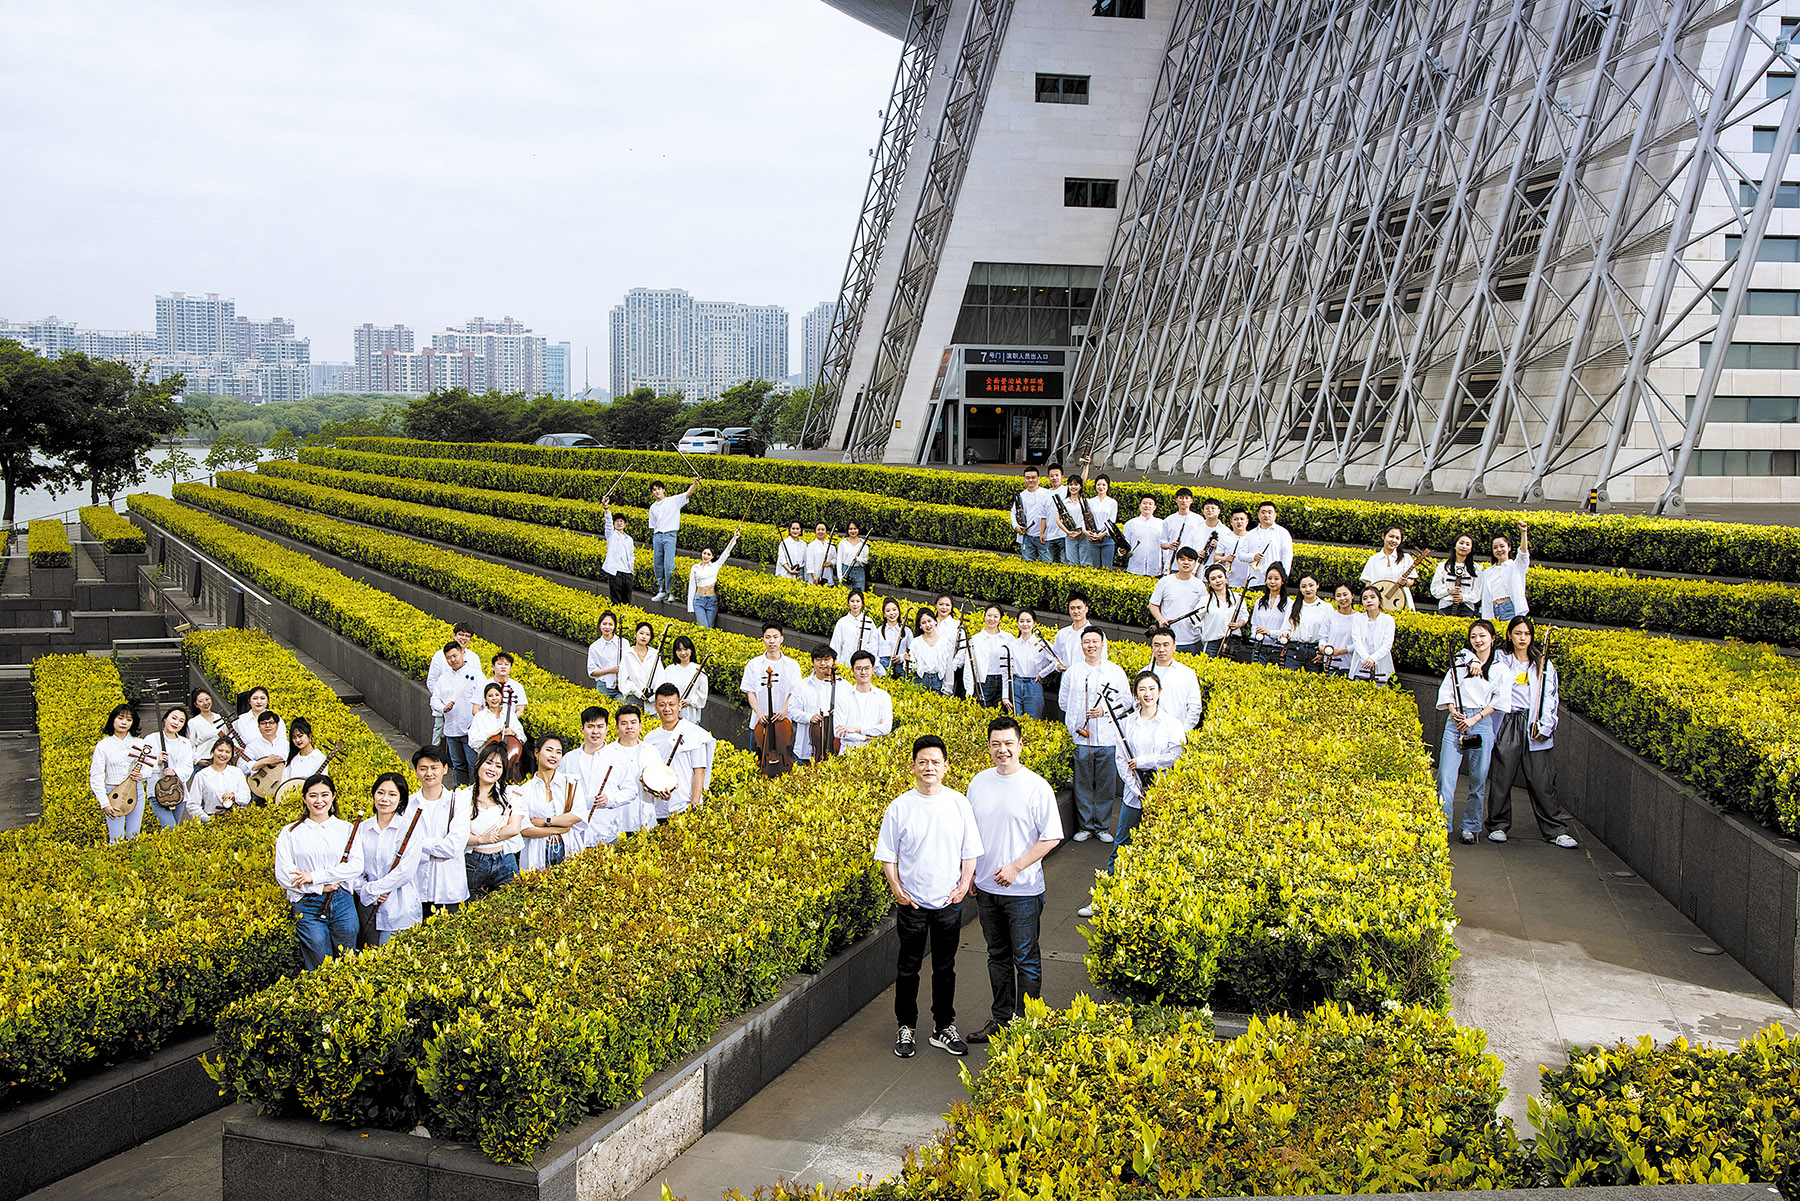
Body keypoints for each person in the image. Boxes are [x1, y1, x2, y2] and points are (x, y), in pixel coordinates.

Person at [873, 734, 983, 1059]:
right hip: (912, 904)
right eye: (923, 762)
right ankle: (905, 1027)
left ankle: (943, 1027)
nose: (929, 767)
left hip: (948, 903)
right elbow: (887, 853)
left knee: (945, 968)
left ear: (946, 766)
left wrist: (963, 885)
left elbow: (970, 850)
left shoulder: (959, 803)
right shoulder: (900, 807)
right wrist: (896, 889)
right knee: (907, 968)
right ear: (913, 767)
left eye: (935, 761)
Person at [965, 715, 1063, 1042]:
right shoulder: (978, 783)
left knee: (1026, 960)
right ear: (989, 747)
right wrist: (971, 874)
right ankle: (1001, 1020)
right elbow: (970, 834)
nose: (1002, 749)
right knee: (997, 957)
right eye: (996, 744)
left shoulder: (1037, 786)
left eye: (1008, 743)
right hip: (986, 890)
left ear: (1020, 745)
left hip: (1023, 891)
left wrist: (1016, 867)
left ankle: (1027, 1027)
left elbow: (1051, 837)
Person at [1081, 670, 1185, 917]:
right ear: (1136, 694)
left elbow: (1175, 755)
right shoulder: (1127, 723)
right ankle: (1103, 899)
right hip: (1134, 795)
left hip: (1162, 793)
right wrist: (1136, 789)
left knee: (1160, 848)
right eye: (1142, 689)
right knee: (1121, 845)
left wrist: (1144, 762)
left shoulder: (1172, 723)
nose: (1147, 694)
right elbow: (1121, 760)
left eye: (1152, 689)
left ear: (1160, 692)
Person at [1488, 617, 1579, 848]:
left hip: (1533, 722)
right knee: (1502, 776)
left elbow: (1550, 697)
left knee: (1542, 779)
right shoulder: (1500, 658)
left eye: (1527, 634)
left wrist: (1546, 725)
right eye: (1518, 633)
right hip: (1508, 720)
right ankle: (1498, 825)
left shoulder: (1543, 663)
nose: (1522, 638)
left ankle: (1555, 830)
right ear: (1509, 635)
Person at [273, 773, 363, 969]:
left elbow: (355, 866)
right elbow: (284, 875)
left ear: (333, 796)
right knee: (319, 964)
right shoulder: (290, 832)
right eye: (313, 795)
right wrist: (319, 887)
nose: (319, 801)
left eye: (324, 795)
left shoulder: (347, 829)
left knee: (348, 961)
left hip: (342, 900)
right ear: (304, 799)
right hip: (306, 903)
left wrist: (314, 877)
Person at [1438, 620, 1506, 845]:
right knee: (1445, 777)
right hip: (1456, 721)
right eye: (1474, 636)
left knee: (1478, 779)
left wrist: (1474, 719)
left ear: (1492, 638)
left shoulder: (1499, 668)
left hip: (1481, 722)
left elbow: (1499, 701)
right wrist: (1453, 711)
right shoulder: (1461, 662)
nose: (1478, 640)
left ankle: (1471, 826)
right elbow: (1447, 691)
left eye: (1483, 636)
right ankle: (1442, 825)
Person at [1060, 628, 1130, 842]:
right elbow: (1063, 702)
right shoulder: (1072, 672)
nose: (1091, 645)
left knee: (1105, 784)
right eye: (1086, 642)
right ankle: (1085, 826)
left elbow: (1126, 702)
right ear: (1081, 645)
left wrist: (1104, 711)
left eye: (1095, 641)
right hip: (1081, 738)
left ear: (1102, 644)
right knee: (1082, 783)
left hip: (1107, 738)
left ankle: (1102, 826)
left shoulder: (1115, 672)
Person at [356, 772, 425, 946]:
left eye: (392, 794)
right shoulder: (362, 828)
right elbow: (354, 867)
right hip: (368, 906)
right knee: (368, 955)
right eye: (380, 792)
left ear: (400, 799)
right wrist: (364, 889)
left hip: (399, 907)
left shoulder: (409, 829)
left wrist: (373, 889)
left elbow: (405, 872)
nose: (385, 799)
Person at [411, 744, 470, 917]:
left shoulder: (458, 802)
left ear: (445, 769)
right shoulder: (408, 805)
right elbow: (402, 846)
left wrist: (419, 846)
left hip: (450, 889)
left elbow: (453, 847)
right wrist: (436, 848)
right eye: (423, 768)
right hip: (416, 888)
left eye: (434, 767)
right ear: (416, 771)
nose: (429, 773)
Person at [462, 744, 523, 899]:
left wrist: (480, 838)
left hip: (505, 860)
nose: (492, 769)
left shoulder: (511, 793)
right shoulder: (462, 797)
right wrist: (481, 840)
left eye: (498, 766)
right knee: (473, 909)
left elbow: (514, 828)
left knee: (511, 905)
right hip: (473, 862)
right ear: (478, 763)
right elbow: (459, 835)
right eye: (488, 763)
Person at [644, 684, 714, 818]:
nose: (667, 709)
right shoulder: (650, 738)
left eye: (671, 704)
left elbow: (699, 772)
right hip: (657, 809)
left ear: (679, 706)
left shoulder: (694, 734)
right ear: (655, 707)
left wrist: (694, 805)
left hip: (685, 806)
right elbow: (648, 772)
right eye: (662, 705)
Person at [516, 734, 584, 870]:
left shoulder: (570, 783)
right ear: (536, 753)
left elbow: (577, 815)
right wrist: (559, 829)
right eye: (549, 750)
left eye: (558, 752)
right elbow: (525, 829)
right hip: (537, 849)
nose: (554, 755)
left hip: (566, 846)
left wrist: (544, 822)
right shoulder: (525, 790)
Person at [590, 704, 656, 842]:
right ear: (616, 728)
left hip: (646, 819)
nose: (629, 727)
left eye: (633, 722)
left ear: (640, 726)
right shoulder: (606, 754)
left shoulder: (651, 751)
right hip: (617, 823)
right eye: (624, 723)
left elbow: (660, 780)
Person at [91, 702, 151, 843]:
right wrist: (104, 803)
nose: (124, 723)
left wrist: (141, 775)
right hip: (113, 791)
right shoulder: (103, 745)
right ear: (113, 719)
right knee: (116, 839)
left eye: (129, 720)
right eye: (120, 718)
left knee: (134, 837)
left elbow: (149, 768)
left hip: (135, 791)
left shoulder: (140, 743)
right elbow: (96, 776)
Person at [742, 622, 801, 765]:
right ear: (763, 640)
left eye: (775, 637)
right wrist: (759, 714)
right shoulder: (753, 664)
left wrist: (784, 710)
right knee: (756, 761)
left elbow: (794, 693)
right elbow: (751, 692)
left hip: (783, 724)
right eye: (768, 637)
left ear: (781, 639)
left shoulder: (792, 665)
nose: (772, 641)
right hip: (759, 723)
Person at [558, 707, 613, 845]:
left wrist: (610, 799)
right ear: (582, 729)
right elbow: (558, 789)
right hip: (573, 831)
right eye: (590, 726)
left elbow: (630, 790)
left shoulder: (617, 758)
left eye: (600, 726)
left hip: (606, 830)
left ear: (607, 728)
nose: (595, 731)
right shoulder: (569, 758)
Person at [432, 640, 483, 786]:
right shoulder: (443, 678)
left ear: (462, 654)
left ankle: (477, 792)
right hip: (451, 731)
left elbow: (484, 701)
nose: (452, 660)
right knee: (457, 766)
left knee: (474, 765)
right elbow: (434, 699)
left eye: (455, 656)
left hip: (470, 730)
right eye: (448, 658)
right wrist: (443, 708)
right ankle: (459, 792)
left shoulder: (476, 676)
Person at [647, 474, 699, 603]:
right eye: (654, 490)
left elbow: (688, 494)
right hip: (658, 536)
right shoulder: (652, 507)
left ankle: (671, 591)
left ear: (663, 490)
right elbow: (653, 525)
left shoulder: (673, 501)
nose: (657, 491)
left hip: (669, 535)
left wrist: (695, 483)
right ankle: (662, 590)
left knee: (669, 565)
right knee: (657, 564)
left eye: (659, 489)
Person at [1148, 548, 1207, 654]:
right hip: (1168, 638)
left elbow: (1204, 610)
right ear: (1177, 561)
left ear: (1195, 563)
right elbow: (1153, 604)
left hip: (1193, 639)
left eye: (1190, 560)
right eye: (1182, 559)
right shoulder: (1165, 581)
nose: (1186, 563)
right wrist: (1160, 619)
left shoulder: (1200, 585)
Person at [147, 703, 194, 829]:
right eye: (174, 718)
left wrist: (174, 772)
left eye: (181, 721)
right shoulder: (151, 739)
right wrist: (157, 763)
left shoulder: (185, 743)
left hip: (178, 791)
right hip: (158, 792)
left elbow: (188, 767)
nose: (176, 723)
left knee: (174, 830)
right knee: (170, 827)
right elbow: (144, 767)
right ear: (165, 719)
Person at [426, 625, 475, 744]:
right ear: (454, 635)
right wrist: (442, 704)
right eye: (460, 634)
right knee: (438, 736)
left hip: (466, 712)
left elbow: (477, 685)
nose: (463, 638)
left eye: (467, 636)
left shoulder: (474, 657)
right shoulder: (439, 655)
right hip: (444, 707)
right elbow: (432, 681)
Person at [966, 604, 1022, 709]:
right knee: (983, 712)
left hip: (1004, 681)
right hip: (984, 681)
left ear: (1000, 619)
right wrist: (969, 691)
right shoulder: (976, 639)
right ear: (984, 616)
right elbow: (969, 666)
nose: (992, 619)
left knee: (1002, 713)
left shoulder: (1008, 638)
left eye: (996, 616)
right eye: (989, 615)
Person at [792, 647, 841, 765]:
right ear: (813, 662)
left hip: (835, 749)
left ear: (834, 662)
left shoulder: (843, 686)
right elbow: (792, 710)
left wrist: (840, 713)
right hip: (806, 749)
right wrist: (808, 717)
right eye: (818, 660)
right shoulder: (802, 686)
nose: (822, 663)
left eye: (827, 659)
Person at [1145, 629, 1204, 728]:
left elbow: (1195, 707)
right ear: (1152, 647)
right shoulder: (1145, 673)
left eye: (1166, 645)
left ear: (1174, 647)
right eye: (1157, 645)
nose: (1161, 649)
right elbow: (1137, 703)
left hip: (1177, 730)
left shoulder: (1187, 673)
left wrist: (1183, 731)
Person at [836, 652, 893, 749]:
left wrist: (856, 730)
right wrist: (865, 737)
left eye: (867, 668)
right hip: (848, 751)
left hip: (875, 750)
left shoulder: (883, 696)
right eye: (859, 668)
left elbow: (886, 728)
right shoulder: (843, 697)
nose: (863, 672)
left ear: (873, 669)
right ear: (852, 670)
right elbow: (838, 732)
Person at [685, 529, 740, 628]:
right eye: (704, 553)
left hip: (712, 601)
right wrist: (690, 607)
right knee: (703, 627)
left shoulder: (715, 566)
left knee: (710, 627)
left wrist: (734, 538)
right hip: (699, 601)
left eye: (708, 554)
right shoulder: (695, 568)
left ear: (712, 556)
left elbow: (726, 553)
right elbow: (692, 587)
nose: (705, 556)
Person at [1010, 610, 1058, 721]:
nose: (1025, 624)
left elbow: (1056, 661)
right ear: (1017, 623)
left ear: (1034, 623)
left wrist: (1042, 674)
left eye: (1028, 621)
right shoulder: (1013, 644)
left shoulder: (1041, 644)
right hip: (1016, 684)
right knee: (1016, 720)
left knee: (1033, 721)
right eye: (1021, 621)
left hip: (1033, 684)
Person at [1482, 522, 1532, 623]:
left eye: (1502, 546)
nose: (1499, 550)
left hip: (1509, 608)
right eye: (1495, 548)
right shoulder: (1487, 572)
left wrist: (1523, 533)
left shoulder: (1516, 566)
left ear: (1509, 548)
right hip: (1492, 610)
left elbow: (1523, 553)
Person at [653, 635, 708, 724]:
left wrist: (690, 701)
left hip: (691, 716)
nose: (683, 653)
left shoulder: (699, 670)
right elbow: (661, 690)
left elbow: (702, 693)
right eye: (679, 650)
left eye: (685, 649)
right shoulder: (669, 669)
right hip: (671, 716)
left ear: (691, 650)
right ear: (675, 652)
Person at [1362, 525, 1418, 612]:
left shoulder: (1406, 558)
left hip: (1400, 601)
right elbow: (1368, 584)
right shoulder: (1373, 560)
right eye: (1391, 536)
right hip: (1379, 603)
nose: (1394, 540)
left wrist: (1406, 582)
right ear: (1383, 536)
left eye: (1397, 538)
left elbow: (1411, 580)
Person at [1249, 565, 1295, 668]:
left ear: (1282, 581)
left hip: (1278, 650)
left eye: (1276, 579)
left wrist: (1269, 632)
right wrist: (1256, 632)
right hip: (1259, 648)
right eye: (1269, 578)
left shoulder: (1289, 604)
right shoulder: (1259, 602)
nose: (1272, 582)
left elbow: (1287, 629)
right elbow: (1254, 624)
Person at [187, 736, 243, 820]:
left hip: (235, 818)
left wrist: (234, 796)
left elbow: (246, 796)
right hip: (211, 819)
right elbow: (192, 804)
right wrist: (207, 819)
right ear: (213, 751)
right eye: (220, 750)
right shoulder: (202, 775)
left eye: (227, 752)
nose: (223, 754)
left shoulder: (237, 772)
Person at [1287, 572, 1334, 672]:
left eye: (1311, 585)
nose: (1308, 589)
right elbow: (1286, 627)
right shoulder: (1293, 606)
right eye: (1304, 586)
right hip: (1294, 651)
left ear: (1317, 585)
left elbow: (1329, 633)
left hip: (1315, 652)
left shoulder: (1326, 607)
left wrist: (1322, 652)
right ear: (1300, 589)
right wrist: (1285, 634)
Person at [467, 683, 525, 763]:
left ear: (501, 696)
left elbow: (523, 738)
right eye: (490, 696)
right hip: (486, 760)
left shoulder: (510, 714)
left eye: (497, 695)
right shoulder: (479, 717)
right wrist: (488, 735)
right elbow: (472, 743)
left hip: (509, 759)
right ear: (485, 699)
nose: (494, 698)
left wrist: (514, 734)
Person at [1350, 584, 1397, 682]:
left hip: (1381, 665)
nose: (1369, 601)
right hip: (1361, 664)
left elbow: (1387, 644)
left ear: (1379, 600)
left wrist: (1373, 659)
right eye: (1365, 598)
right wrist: (1367, 659)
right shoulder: (1357, 618)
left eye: (1372, 597)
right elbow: (1357, 641)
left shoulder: (1388, 619)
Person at [1431, 532, 1483, 618]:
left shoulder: (1476, 569)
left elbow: (1477, 593)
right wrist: (1448, 591)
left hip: (1467, 609)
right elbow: (1434, 589)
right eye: (1461, 543)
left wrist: (1463, 598)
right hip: (1446, 606)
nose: (1464, 546)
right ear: (1455, 546)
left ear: (1471, 549)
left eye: (1467, 544)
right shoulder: (1443, 566)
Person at [1240, 501, 1295, 578]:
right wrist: (1253, 557)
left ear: (1275, 515)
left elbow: (1287, 557)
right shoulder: (1250, 534)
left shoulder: (1283, 533)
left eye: (1270, 512)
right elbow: (1241, 555)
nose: (1266, 515)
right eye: (1263, 512)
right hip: (1254, 578)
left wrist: (1283, 577)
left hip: (1274, 580)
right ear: (1258, 514)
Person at [1013, 467, 1055, 562]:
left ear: (1038, 478)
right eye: (1028, 478)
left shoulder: (1047, 493)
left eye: (1033, 477)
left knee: (1047, 563)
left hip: (1044, 536)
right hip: (1027, 536)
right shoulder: (1021, 496)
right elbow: (1013, 513)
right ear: (1024, 479)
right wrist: (1016, 526)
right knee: (1028, 562)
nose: (1030, 480)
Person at [241, 710, 288, 795]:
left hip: (286, 788)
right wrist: (265, 761)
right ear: (258, 727)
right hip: (263, 791)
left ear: (277, 726)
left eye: (271, 723)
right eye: (263, 723)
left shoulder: (287, 745)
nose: (267, 726)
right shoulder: (252, 747)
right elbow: (242, 768)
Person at [908, 608, 953, 694]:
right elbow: (912, 667)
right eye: (923, 623)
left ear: (935, 621)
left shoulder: (945, 643)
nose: (927, 625)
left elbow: (949, 668)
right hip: (920, 680)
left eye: (929, 621)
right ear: (920, 626)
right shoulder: (916, 642)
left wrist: (947, 689)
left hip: (938, 681)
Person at [831, 590, 879, 671]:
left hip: (864, 666)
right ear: (848, 603)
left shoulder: (869, 622)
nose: (855, 604)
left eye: (858, 601)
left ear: (862, 603)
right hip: (845, 665)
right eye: (852, 601)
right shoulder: (842, 622)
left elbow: (873, 645)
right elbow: (836, 645)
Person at [1319, 583, 1360, 675]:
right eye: (1338, 596)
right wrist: (1322, 647)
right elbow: (1323, 637)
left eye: (1345, 595)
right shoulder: (1330, 616)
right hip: (1330, 664)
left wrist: (1342, 651)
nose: (1342, 598)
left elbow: (1360, 643)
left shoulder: (1360, 618)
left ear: (1352, 595)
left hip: (1351, 665)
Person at [1196, 564, 1235, 657]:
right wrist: (1207, 627)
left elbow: (1244, 616)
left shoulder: (1236, 597)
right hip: (1212, 643)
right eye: (1213, 579)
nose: (1217, 581)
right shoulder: (1205, 600)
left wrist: (1239, 624)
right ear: (1209, 583)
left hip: (1231, 643)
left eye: (1220, 577)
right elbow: (1194, 618)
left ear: (1225, 578)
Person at [618, 620, 661, 705]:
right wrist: (638, 692)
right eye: (641, 633)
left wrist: (653, 695)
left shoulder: (655, 654)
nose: (644, 637)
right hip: (633, 697)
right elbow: (624, 679)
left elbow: (660, 677)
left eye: (647, 634)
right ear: (635, 634)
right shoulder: (628, 654)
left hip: (651, 699)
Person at [1160, 488, 1204, 572]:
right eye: (1181, 498)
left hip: (1193, 564)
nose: (1184, 501)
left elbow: (1202, 540)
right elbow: (1162, 543)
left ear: (1191, 501)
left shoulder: (1199, 520)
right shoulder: (1168, 520)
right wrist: (1169, 546)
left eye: (1187, 498)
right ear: (1176, 500)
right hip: (1174, 563)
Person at [601, 502, 636, 604]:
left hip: (627, 572)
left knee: (627, 600)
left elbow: (631, 555)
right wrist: (606, 508)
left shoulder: (629, 539)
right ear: (614, 524)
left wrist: (631, 568)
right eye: (617, 521)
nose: (619, 523)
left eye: (621, 521)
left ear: (625, 524)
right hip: (616, 572)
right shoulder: (611, 535)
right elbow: (608, 522)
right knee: (616, 600)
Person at [585, 610, 624, 699]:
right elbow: (592, 671)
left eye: (610, 624)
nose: (607, 627)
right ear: (600, 625)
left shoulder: (623, 643)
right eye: (604, 624)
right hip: (604, 686)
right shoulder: (594, 647)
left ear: (615, 626)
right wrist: (610, 670)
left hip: (621, 686)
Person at [1123, 494, 1163, 576]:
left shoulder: (1161, 524)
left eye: (1150, 504)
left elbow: (1165, 547)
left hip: (1155, 569)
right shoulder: (1130, 524)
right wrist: (1121, 551)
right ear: (1140, 506)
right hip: (1135, 568)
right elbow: (1124, 543)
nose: (1147, 506)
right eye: (1144, 503)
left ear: (1154, 507)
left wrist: (1166, 567)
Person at [871, 597, 910, 678]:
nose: (892, 613)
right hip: (882, 667)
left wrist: (901, 657)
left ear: (899, 611)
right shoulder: (878, 631)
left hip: (900, 668)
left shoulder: (906, 631)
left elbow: (912, 652)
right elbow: (873, 654)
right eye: (888, 611)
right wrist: (882, 673)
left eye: (894, 610)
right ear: (884, 614)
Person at [1088, 473, 1120, 570]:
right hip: (1093, 536)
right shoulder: (1090, 501)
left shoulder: (1112, 502)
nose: (1101, 487)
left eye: (1103, 485)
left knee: (1107, 568)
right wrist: (1089, 533)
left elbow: (1112, 521)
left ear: (1108, 486)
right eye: (1098, 485)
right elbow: (1086, 518)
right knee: (1095, 568)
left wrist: (1103, 534)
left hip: (1107, 537)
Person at [187, 688, 223, 772]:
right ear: (196, 704)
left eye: (207, 699)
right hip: (203, 762)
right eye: (201, 701)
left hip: (220, 760)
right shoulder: (193, 722)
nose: (205, 703)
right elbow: (190, 745)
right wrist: (197, 760)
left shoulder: (219, 717)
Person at [282, 716, 326, 783]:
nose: (297, 740)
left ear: (309, 735)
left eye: (300, 736)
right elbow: (284, 783)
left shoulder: (319, 757)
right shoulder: (292, 759)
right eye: (294, 737)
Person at [485, 651, 527, 719]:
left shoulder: (518, 686)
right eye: (499, 664)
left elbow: (520, 709)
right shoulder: (484, 684)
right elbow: (476, 708)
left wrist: (510, 721)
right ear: (493, 667)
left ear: (510, 668)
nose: (503, 667)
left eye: (506, 664)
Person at [1220, 507, 1255, 590]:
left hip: (1250, 582)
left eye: (1242, 519)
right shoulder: (1224, 538)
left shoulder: (1253, 537)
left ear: (1247, 521)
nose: (1239, 522)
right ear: (1231, 521)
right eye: (1236, 519)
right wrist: (1225, 558)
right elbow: (1216, 558)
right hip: (1230, 581)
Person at [837, 520, 871, 592]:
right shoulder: (842, 543)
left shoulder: (863, 543)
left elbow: (866, 560)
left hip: (859, 571)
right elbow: (839, 561)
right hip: (846, 570)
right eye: (850, 529)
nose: (853, 531)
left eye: (855, 529)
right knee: (845, 594)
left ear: (858, 529)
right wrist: (840, 576)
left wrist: (858, 559)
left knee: (859, 593)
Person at [805, 521, 837, 586]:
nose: (820, 532)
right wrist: (814, 577)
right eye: (818, 530)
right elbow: (809, 563)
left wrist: (831, 563)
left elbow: (835, 559)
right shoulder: (811, 545)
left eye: (823, 530)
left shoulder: (831, 545)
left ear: (826, 532)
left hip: (828, 576)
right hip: (816, 578)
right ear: (815, 531)